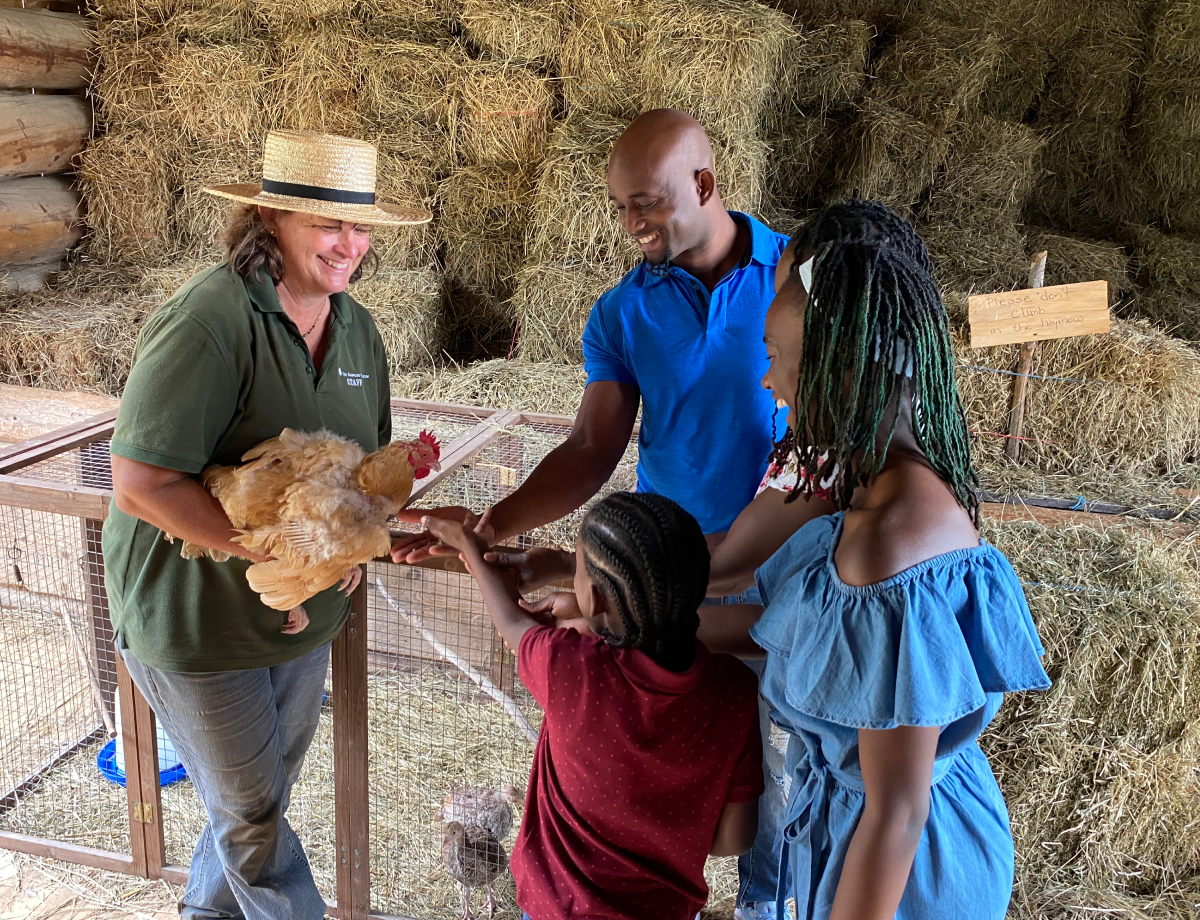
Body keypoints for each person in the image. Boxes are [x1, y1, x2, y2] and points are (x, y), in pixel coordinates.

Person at [395, 108, 822, 917]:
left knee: (780, 779)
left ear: (704, 186)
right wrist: (495, 528)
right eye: (621, 206)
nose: (632, 225)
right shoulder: (622, 312)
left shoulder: (791, 282)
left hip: (779, 570)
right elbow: (593, 446)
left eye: (647, 203)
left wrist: (567, 575)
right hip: (655, 578)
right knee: (651, 771)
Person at [103, 130, 430, 919]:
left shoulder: (357, 332)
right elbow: (139, 482)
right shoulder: (211, 319)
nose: (349, 244)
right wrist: (279, 547)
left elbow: (357, 467)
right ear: (271, 218)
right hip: (197, 620)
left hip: (302, 616)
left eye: (360, 228)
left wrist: (353, 534)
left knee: (255, 800)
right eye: (328, 225)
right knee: (253, 815)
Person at [698, 200, 1052, 920]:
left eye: (777, 358)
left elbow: (896, 813)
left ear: (837, 364)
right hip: (873, 842)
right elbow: (808, 637)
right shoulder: (876, 485)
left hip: (902, 878)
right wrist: (632, 617)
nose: (770, 382)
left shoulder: (886, 540)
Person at [423, 492, 764, 920]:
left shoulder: (571, 665)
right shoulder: (733, 692)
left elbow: (513, 624)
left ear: (598, 599)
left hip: (557, 908)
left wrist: (473, 552)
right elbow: (735, 840)